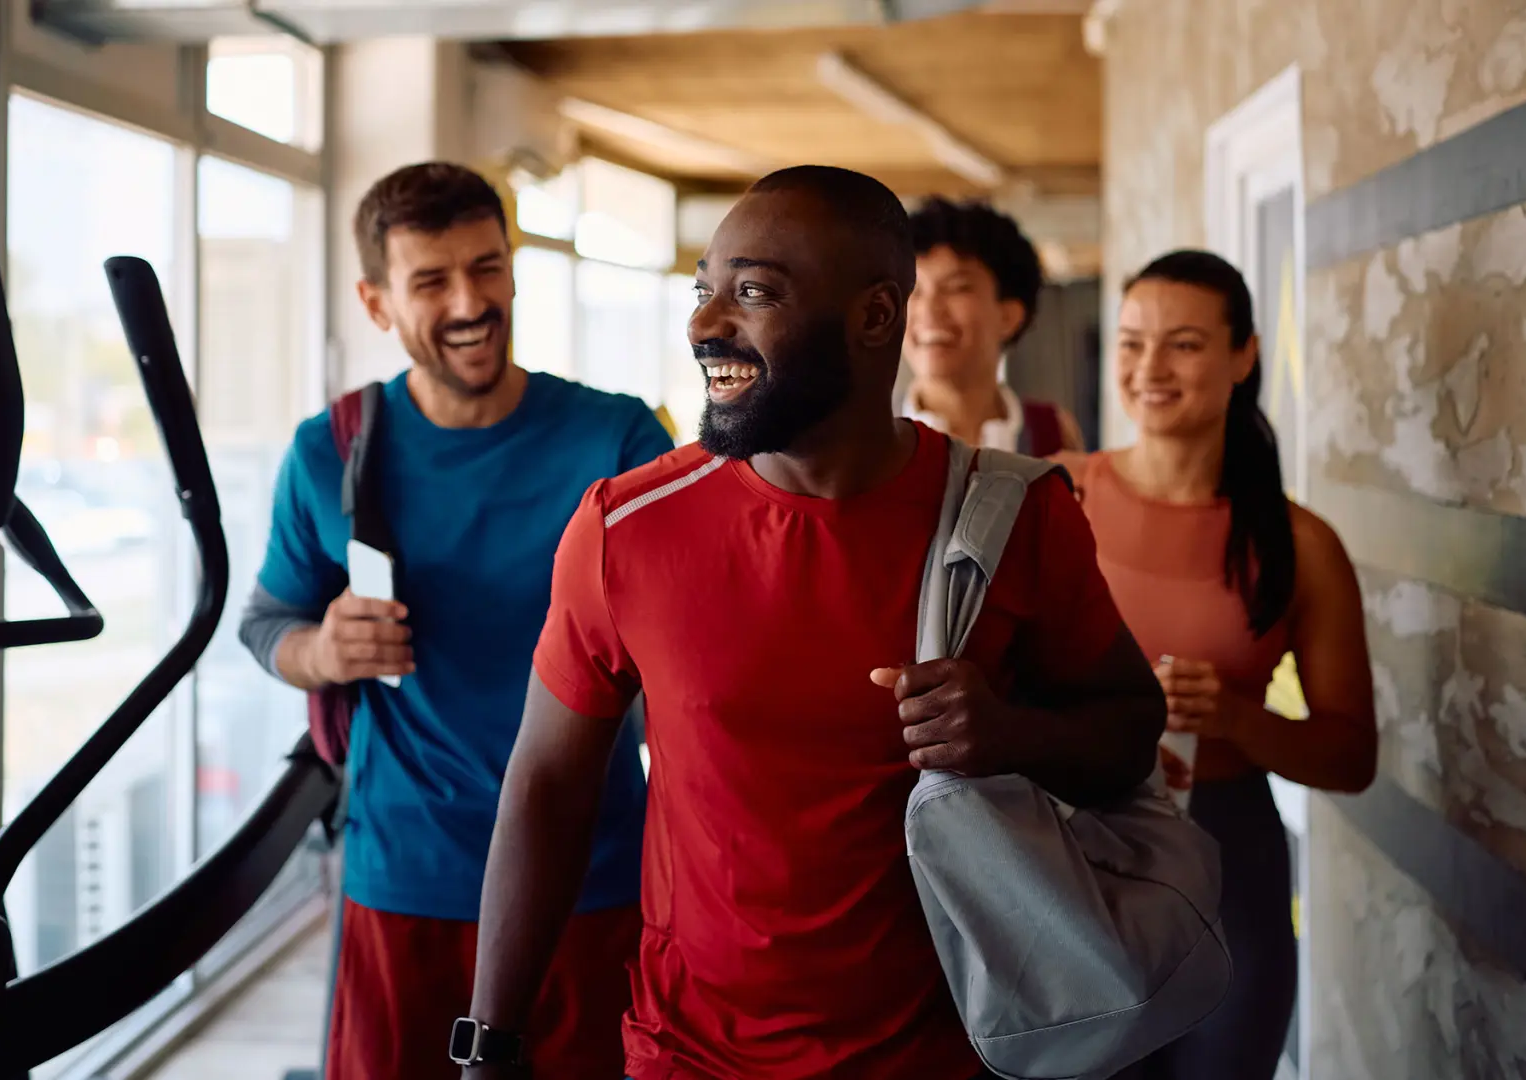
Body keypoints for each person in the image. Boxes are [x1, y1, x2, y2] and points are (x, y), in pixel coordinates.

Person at [458, 166, 1166, 1079]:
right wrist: (489, 1043)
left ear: (875, 316)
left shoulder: (1016, 517)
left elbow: (1130, 733)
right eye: (704, 291)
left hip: (951, 1056)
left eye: (754, 293)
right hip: (691, 1057)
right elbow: (548, 787)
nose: (706, 325)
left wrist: (1010, 734)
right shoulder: (625, 527)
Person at [238, 162, 673, 1079]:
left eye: (486, 268)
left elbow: (690, 645)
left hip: (588, 877)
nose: (471, 303)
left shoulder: (619, 440)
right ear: (377, 302)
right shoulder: (331, 452)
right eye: (432, 281)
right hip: (407, 876)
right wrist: (323, 649)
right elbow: (269, 621)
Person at [1052, 250, 1377, 1080]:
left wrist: (1236, 717)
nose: (1150, 368)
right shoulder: (1055, 497)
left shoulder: (1301, 544)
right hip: (1067, 852)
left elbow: (1351, 757)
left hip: (1230, 861)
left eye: (1185, 344)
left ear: (1244, 356)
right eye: (1132, 342)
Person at [902, 196, 1084, 454]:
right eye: (913, 290)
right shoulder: (859, 435)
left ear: (1008, 316)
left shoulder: (1053, 434)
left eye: (956, 288)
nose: (928, 309)